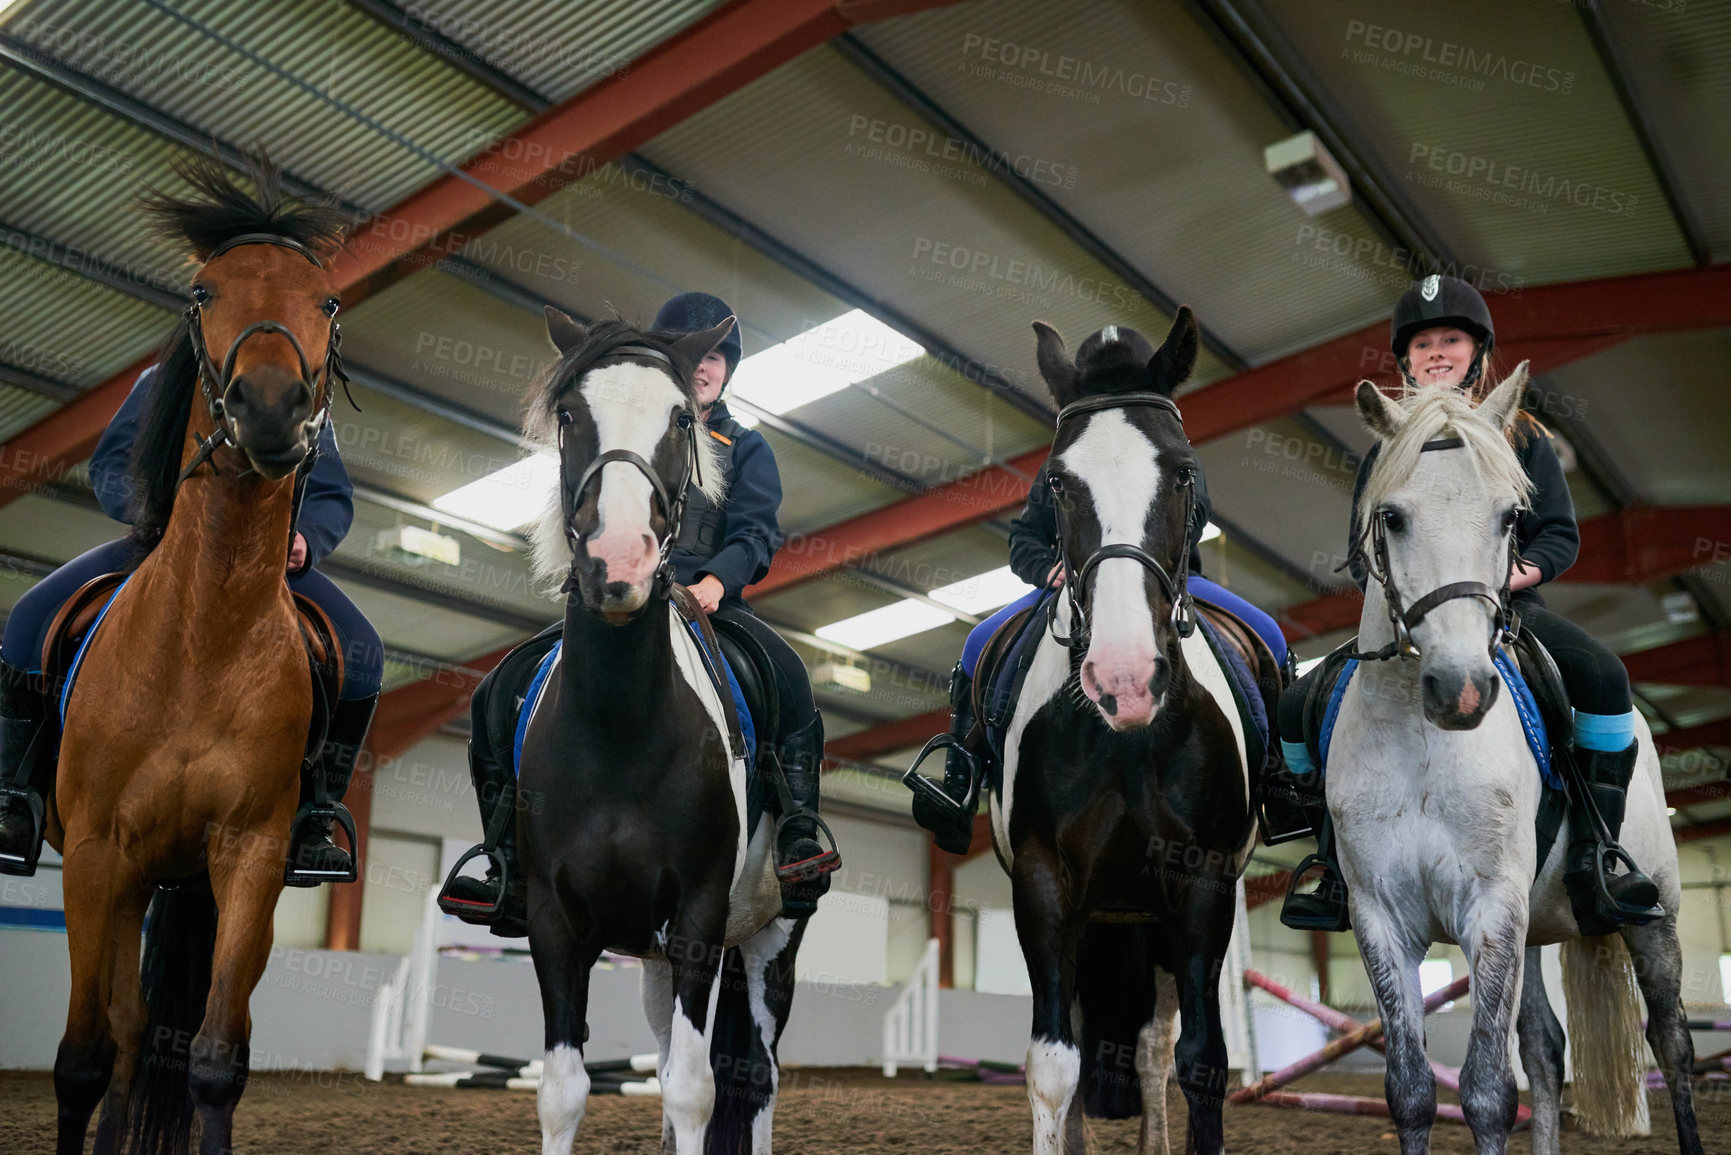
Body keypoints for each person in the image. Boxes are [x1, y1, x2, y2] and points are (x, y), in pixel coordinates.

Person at [439, 292, 840, 929]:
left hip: (704, 603)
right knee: (498, 691)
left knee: (788, 675)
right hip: (613, 598)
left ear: (728, 370)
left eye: (718, 357)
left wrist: (715, 581)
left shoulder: (746, 446)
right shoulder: (624, 430)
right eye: (696, 357)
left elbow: (757, 532)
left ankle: (796, 832)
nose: (706, 367)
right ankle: (505, 855)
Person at [1277, 274, 1661, 933]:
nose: (1435, 351)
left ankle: (1598, 854)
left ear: (1476, 353)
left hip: (1506, 608)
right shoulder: (1386, 449)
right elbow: (1361, 542)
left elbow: (1557, 534)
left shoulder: (1522, 435)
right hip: (1410, 615)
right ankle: (1334, 861)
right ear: (1404, 360)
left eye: (1450, 339)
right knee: (1294, 706)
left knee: (1604, 677)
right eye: (1422, 342)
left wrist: (1507, 575)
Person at [910, 324, 1292, 854]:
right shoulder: (1065, 459)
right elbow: (1024, 537)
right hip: (1073, 583)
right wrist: (1050, 570)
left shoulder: (1166, 443)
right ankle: (961, 780)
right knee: (978, 644)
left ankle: (1281, 778)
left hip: (1165, 580)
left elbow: (1193, 509)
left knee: (1268, 635)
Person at [0, 365, 383, 884]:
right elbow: (112, 464)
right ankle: (16, 794)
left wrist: (307, 538)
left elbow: (332, 493)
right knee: (28, 621)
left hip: (264, 558)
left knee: (363, 654)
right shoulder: (162, 381)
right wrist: (160, 515)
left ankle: (317, 816)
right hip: (161, 545)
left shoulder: (304, 396)